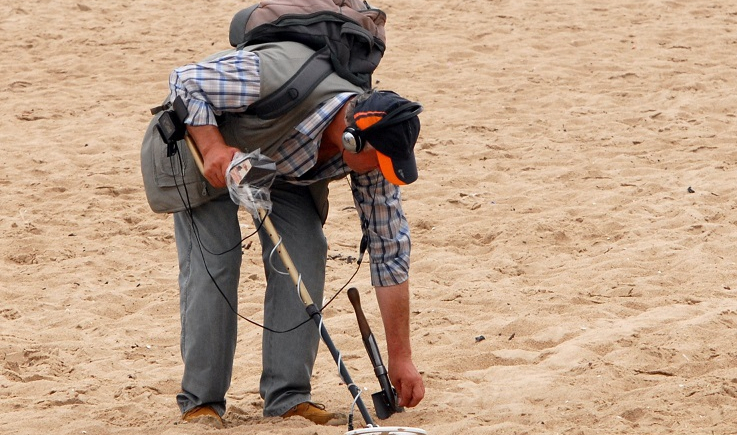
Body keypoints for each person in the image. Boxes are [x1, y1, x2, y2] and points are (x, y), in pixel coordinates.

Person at [166, 40, 425, 428]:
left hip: (281, 169)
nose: (379, 171)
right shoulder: (267, 75)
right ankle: (201, 402)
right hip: (205, 150)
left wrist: (401, 356)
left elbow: (389, 252)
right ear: (352, 137)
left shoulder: (373, 156)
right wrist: (214, 145)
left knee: (305, 251)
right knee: (217, 262)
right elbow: (183, 80)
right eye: (380, 161)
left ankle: (288, 398)